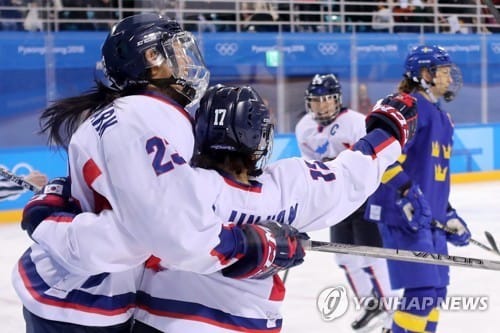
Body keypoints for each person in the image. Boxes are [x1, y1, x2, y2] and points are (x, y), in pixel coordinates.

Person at [22, 79, 419, 333]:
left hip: (155, 323)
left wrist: (55, 197)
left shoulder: (172, 190)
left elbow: (115, 217)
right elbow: (353, 173)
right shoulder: (289, 188)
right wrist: (388, 129)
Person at [13, 13, 305, 333]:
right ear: (152, 57)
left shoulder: (135, 114)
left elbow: (134, 199)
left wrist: (55, 198)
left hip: (82, 296)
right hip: (79, 304)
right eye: (177, 48)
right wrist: (252, 247)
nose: (184, 57)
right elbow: (172, 230)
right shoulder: (142, 119)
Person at [364, 45, 470, 333]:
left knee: (435, 296)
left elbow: (432, 176)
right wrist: (406, 191)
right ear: (425, 74)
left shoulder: (443, 118)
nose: (450, 79)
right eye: (444, 72)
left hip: (428, 220)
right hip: (403, 215)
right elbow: (378, 156)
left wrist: (446, 213)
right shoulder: (406, 106)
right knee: (422, 294)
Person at [295, 73, 402, 332]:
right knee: (343, 257)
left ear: (338, 99)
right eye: (316, 101)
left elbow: (371, 161)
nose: (321, 106)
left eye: (326, 100)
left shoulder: (356, 123)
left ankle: (393, 316)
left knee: (371, 256)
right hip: (336, 200)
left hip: (364, 197)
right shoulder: (304, 128)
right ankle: (370, 305)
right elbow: (312, 168)